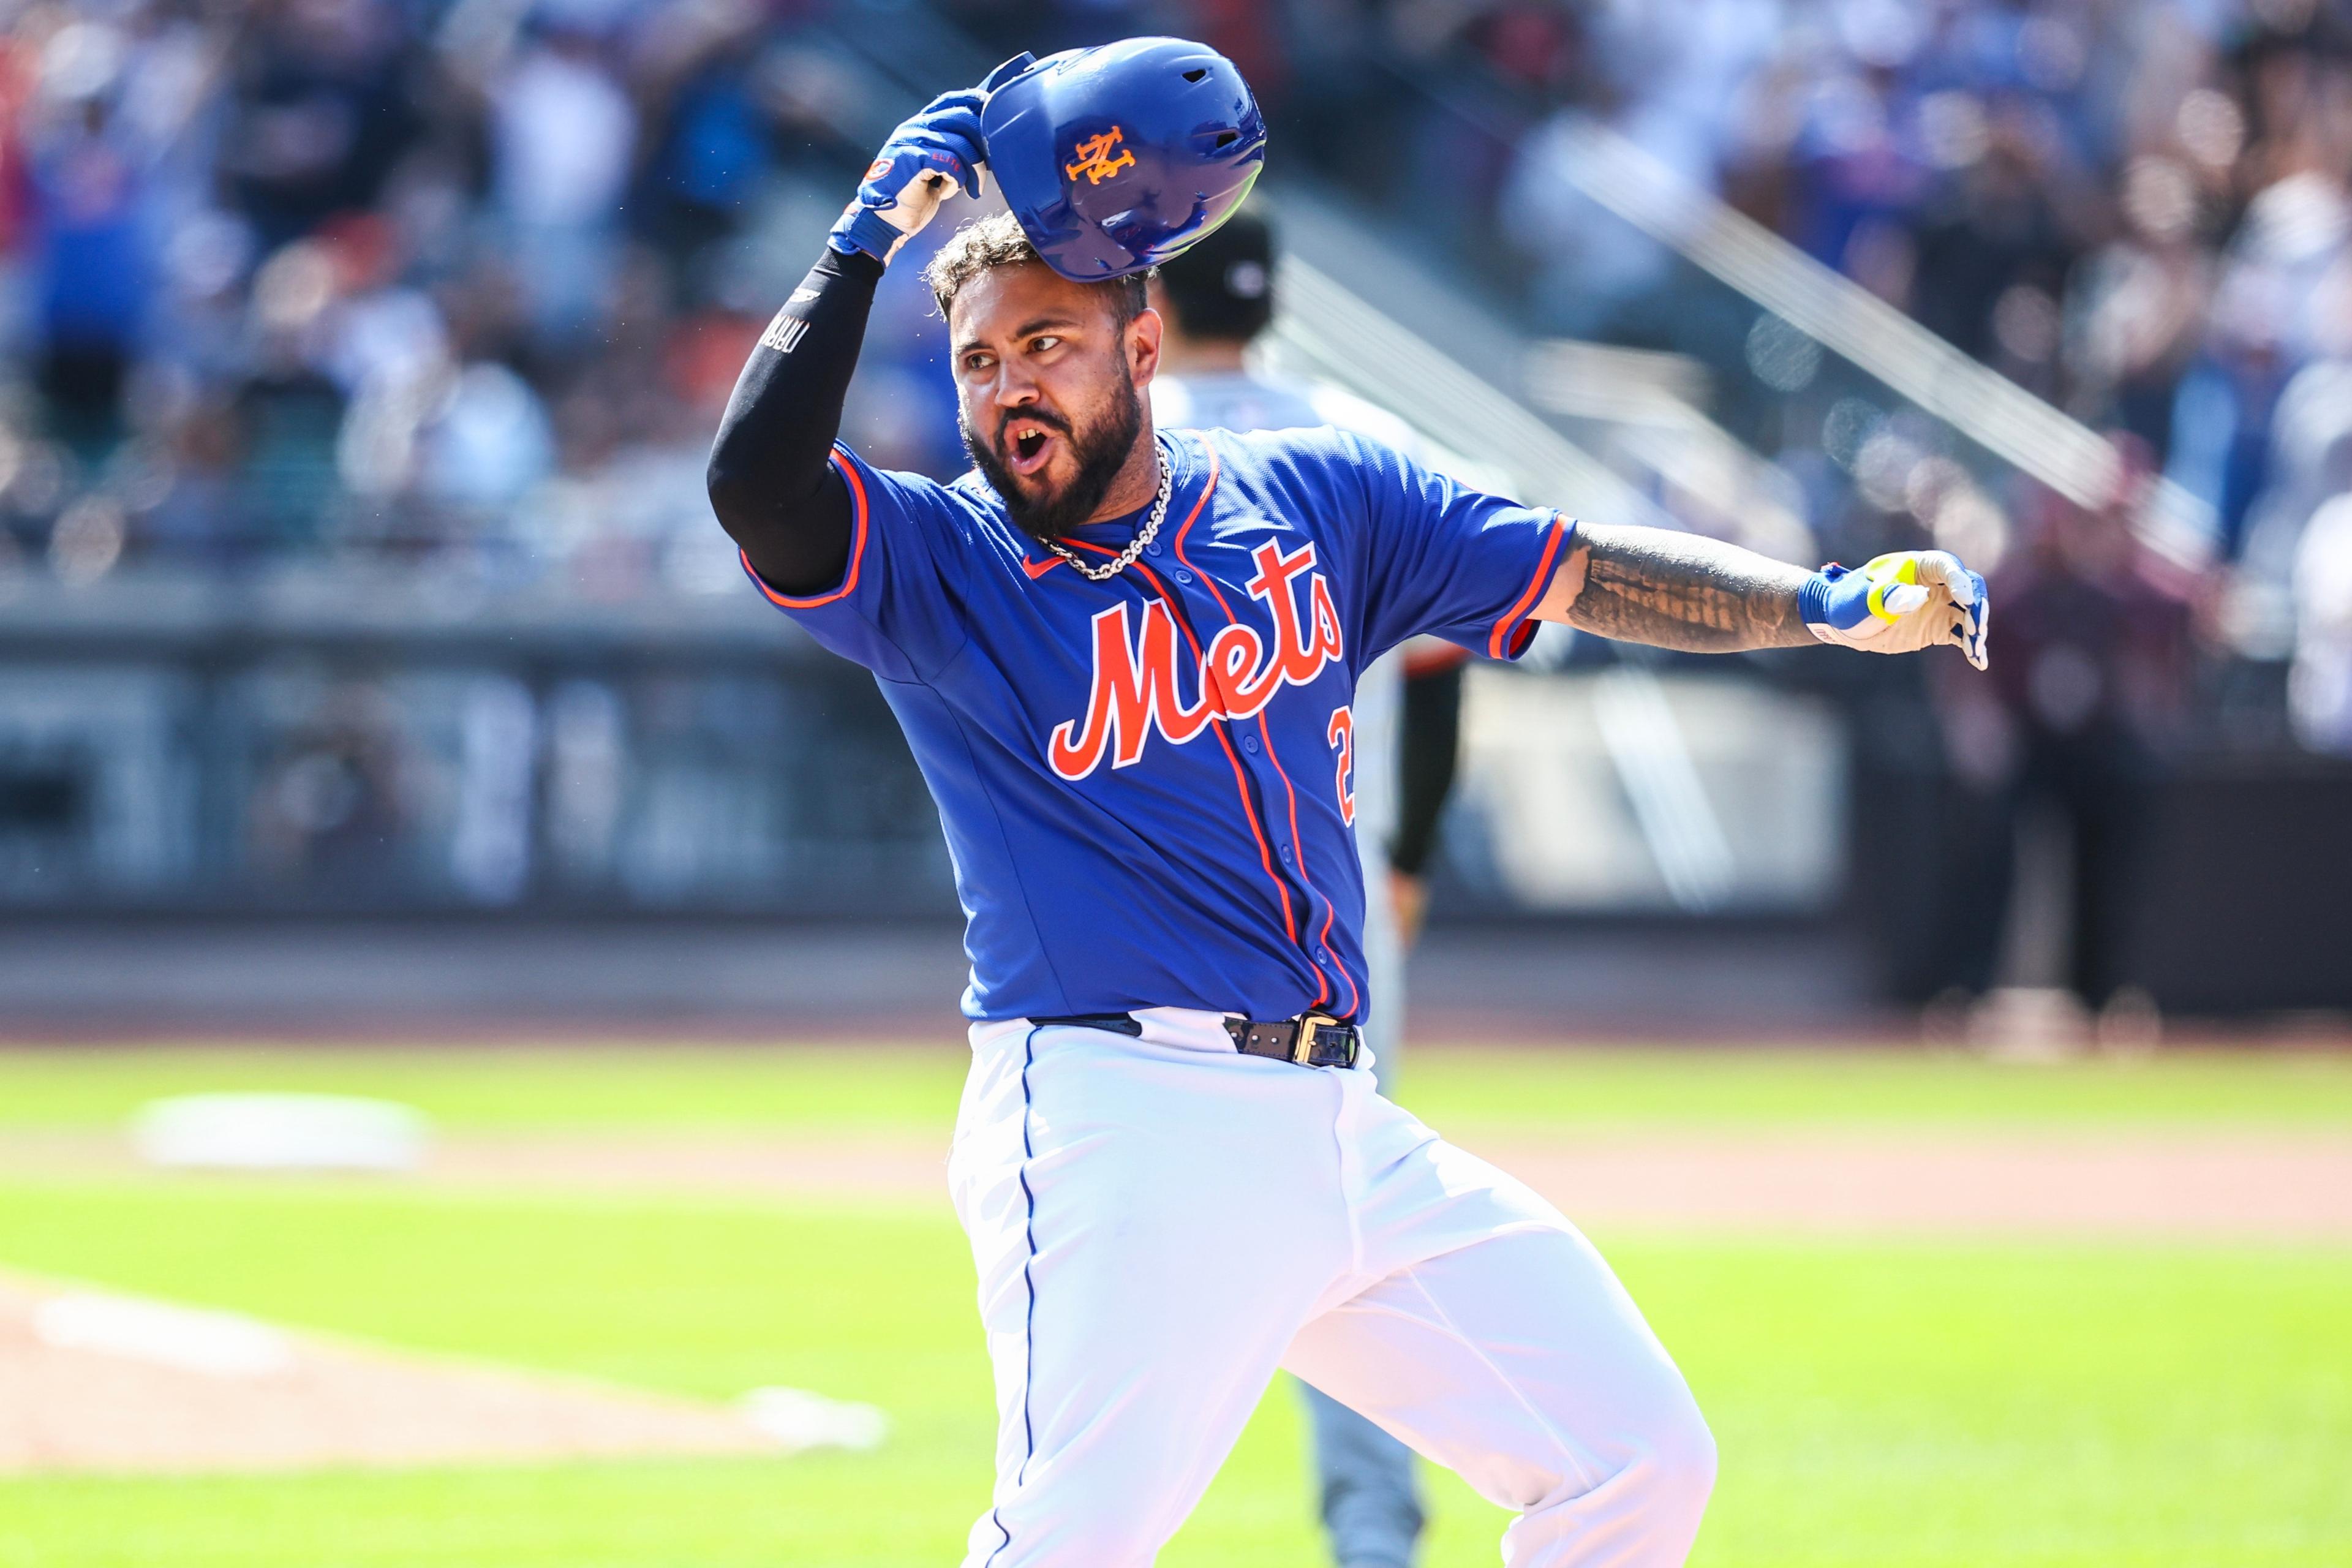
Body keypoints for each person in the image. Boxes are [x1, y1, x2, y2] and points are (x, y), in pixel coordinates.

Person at [706, 57, 1988, 1568]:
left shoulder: (1320, 498)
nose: (1009, 390)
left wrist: (1820, 606)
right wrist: (866, 238)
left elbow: (1582, 564)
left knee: (1637, 1461)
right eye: (980, 364)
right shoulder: (945, 565)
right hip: (1123, 1114)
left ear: (1144, 339)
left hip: (1342, 1126)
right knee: (1064, 1544)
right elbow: (759, 485)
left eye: (1044, 345)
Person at [1149, 204, 1464, 1568]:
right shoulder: (1366, 446)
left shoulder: (1112, 453)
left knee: (1122, 1237)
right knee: (1349, 1230)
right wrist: (1409, 861)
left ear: (1149, 301)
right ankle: (1374, 1537)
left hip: (1140, 917)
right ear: (1272, 304)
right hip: (1338, 915)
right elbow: (1447, 672)